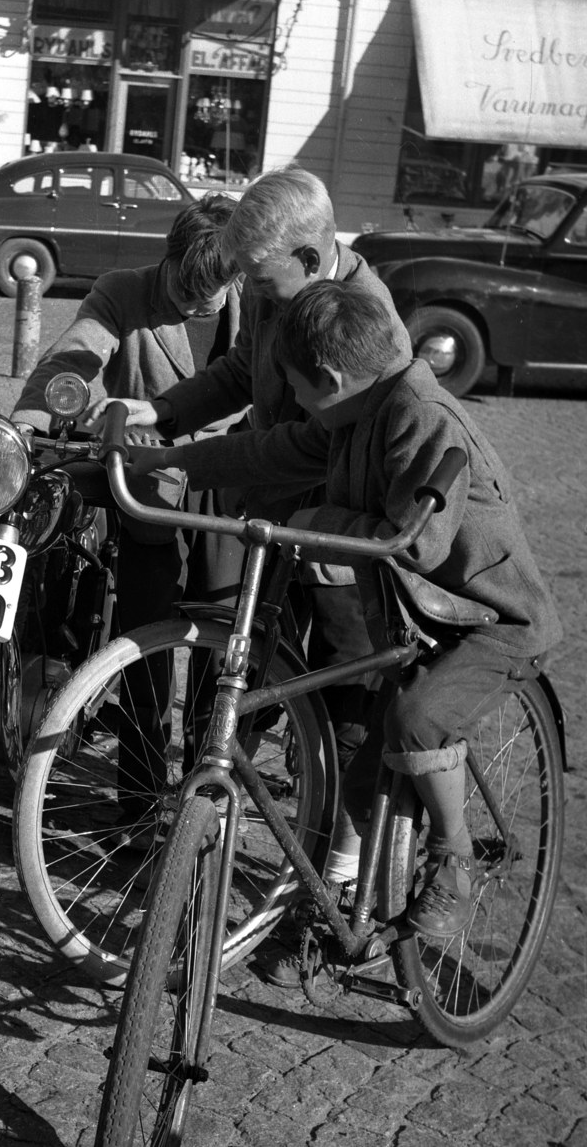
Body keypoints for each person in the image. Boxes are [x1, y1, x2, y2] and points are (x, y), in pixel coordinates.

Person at [127, 277, 562, 937]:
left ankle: (456, 858)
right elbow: (269, 450)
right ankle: (360, 914)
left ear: (328, 379)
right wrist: (173, 462)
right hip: (417, 620)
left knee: (415, 722)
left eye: (297, 392)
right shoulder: (358, 412)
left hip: (489, 621)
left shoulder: (420, 416)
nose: (295, 406)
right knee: (359, 779)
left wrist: (317, 518)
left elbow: (414, 540)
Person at [90, 164, 413, 879]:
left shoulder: (366, 321)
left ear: (307, 258)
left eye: (260, 285)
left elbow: (312, 444)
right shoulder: (280, 286)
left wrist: (188, 458)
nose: (251, 298)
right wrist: (166, 410)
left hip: (339, 540)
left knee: (340, 699)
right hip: (274, 521)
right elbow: (242, 372)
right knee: (244, 682)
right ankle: (198, 840)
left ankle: (346, 874)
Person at [11, 195, 242, 838]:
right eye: (187, 287)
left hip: (229, 490)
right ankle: (139, 804)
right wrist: (28, 427)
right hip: (147, 493)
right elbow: (72, 361)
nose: (199, 303)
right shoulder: (123, 292)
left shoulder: (257, 307)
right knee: (139, 649)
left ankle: (205, 805)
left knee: (222, 652)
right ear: (167, 257)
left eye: (215, 290)